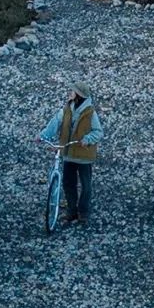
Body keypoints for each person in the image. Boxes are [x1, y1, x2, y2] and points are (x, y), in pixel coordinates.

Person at [39, 80, 104, 225]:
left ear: (79, 95)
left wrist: (87, 139)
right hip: (68, 153)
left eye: (73, 91)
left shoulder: (90, 113)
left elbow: (98, 132)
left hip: (84, 156)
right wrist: (42, 136)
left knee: (86, 186)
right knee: (68, 184)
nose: (70, 92)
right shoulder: (66, 109)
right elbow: (54, 124)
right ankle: (71, 211)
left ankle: (83, 212)